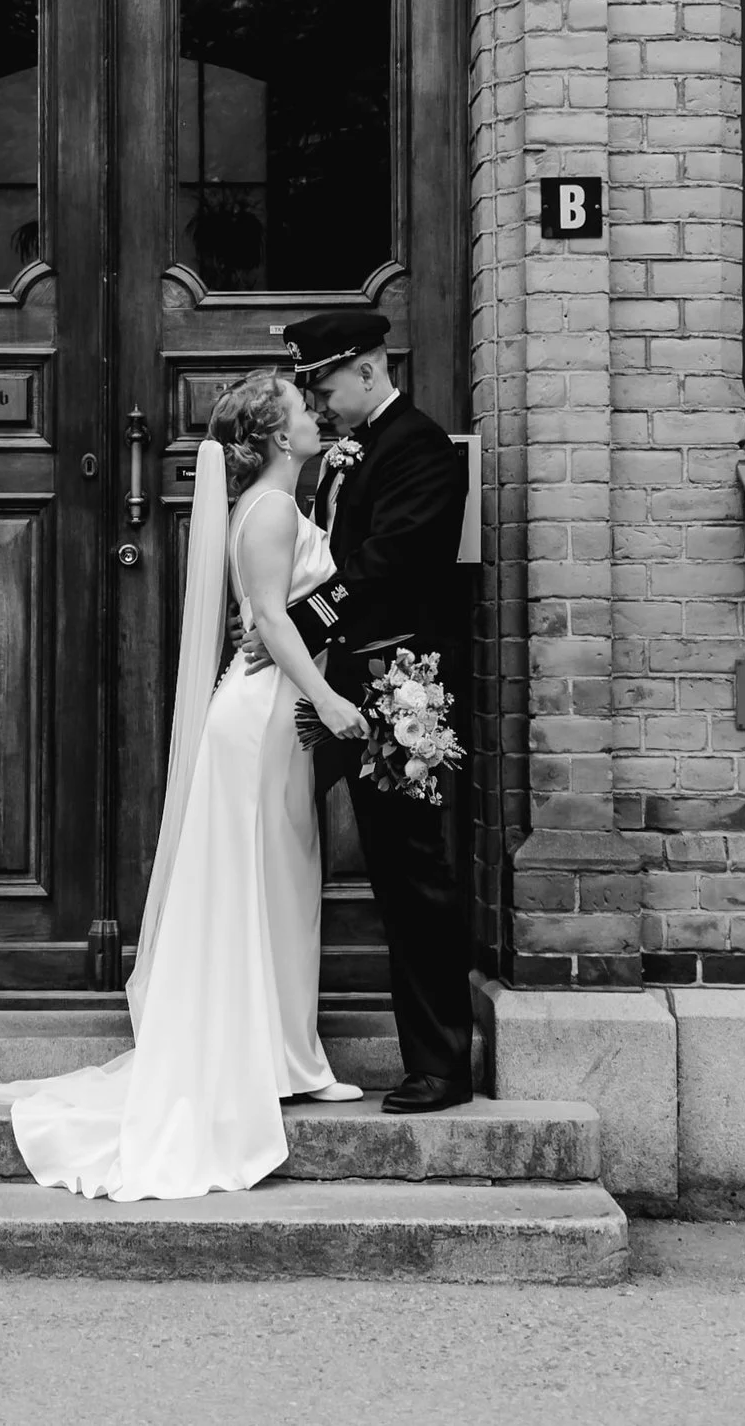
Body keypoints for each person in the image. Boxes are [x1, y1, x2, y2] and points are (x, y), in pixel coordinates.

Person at [0, 366, 368, 1199]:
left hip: (270, 708)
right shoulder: (268, 510)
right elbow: (269, 620)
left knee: (282, 880)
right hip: (266, 713)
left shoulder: (284, 503)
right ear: (276, 436)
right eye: (305, 410)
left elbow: (300, 606)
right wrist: (332, 698)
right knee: (268, 881)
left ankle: (287, 1054)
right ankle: (277, 1058)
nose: (316, 417)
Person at [260, 300, 475, 1112]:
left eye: (320, 384)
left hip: (397, 688)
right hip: (335, 685)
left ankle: (439, 1065)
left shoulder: (417, 448)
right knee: (276, 841)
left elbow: (382, 564)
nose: (313, 402)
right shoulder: (351, 449)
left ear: (366, 368)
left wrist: (299, 620)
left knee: (408, 870)